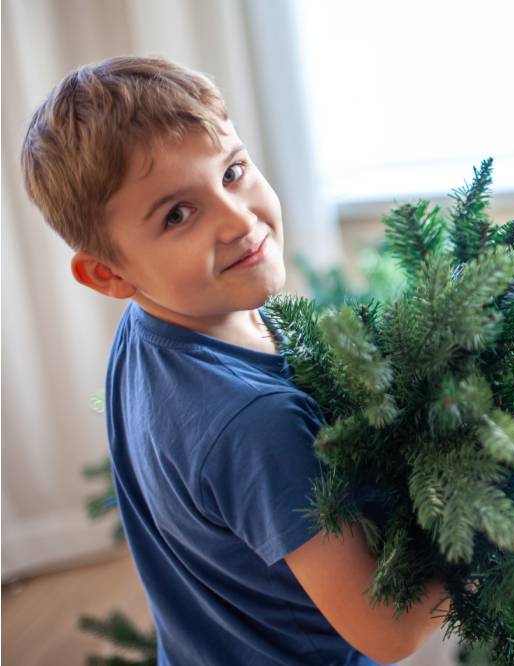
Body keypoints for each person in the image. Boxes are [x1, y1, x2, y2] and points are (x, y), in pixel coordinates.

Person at [20, 55, 449, 665]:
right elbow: (388, 629)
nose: (239, 219)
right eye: (177, 214)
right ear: (109, 274)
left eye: (233, 172)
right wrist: (493, 514)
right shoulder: (254, 423)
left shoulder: (154, 322)